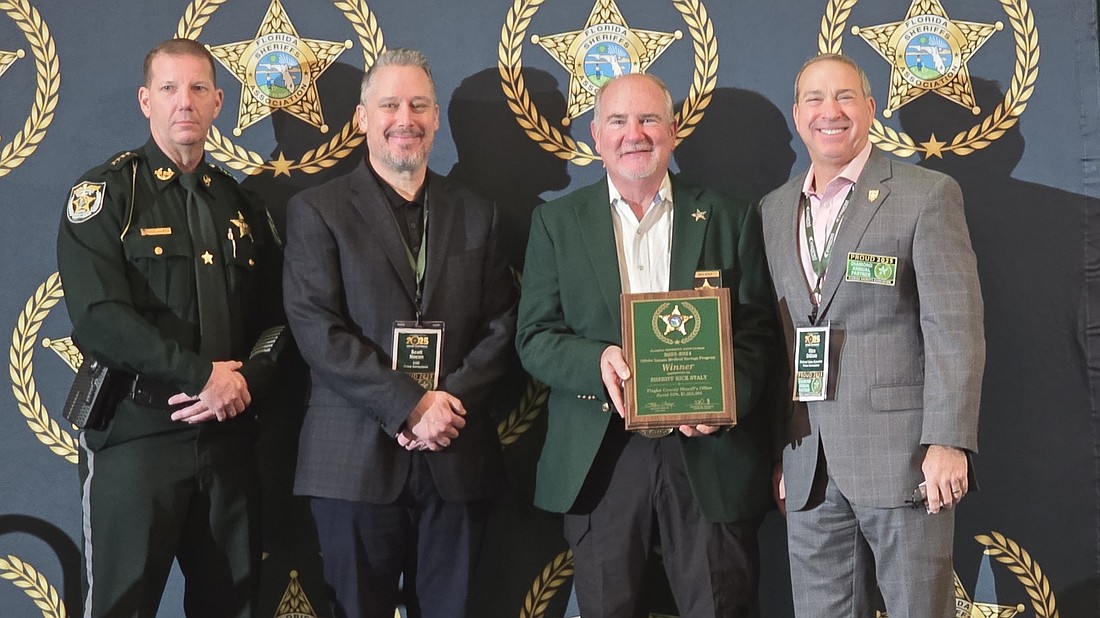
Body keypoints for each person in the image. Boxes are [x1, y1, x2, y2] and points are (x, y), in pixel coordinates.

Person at [516, 73, 778, 617]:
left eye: (648, 119)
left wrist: (725, 396)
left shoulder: (731, 216)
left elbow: (757, 334)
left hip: (707, 450)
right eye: (617, 121)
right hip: (603, 454)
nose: (633, 133)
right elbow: (535, 337)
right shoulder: (556, 223)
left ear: (673, 130)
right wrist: (597, 361)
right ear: (595, 134)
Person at [57, 38, 288, 617]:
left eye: (197, 88)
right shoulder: (107, 194)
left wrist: (245, 382)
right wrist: (200, 374)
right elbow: (99, 318)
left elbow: (280, 323)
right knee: (122, 607)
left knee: (230, 608)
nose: (183, 101)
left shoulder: (245, 207)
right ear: (145, 101)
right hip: (139, 438)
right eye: (168, 88)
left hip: (229, 441)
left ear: (218, 102)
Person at [282, 48, 515, 618]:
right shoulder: (317, 210)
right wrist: (410, 405)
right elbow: (317, 329)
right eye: (389, 105)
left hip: (455, 456)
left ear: (436, 118)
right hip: (352, 462)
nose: (403, 119)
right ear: (362, 117)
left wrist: (446, 405)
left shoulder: (478, 212)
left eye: (417, 105)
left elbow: (503, 323)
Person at [759, 53, 984, 617]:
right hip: (809, 468)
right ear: (796, 114)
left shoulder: (926, 194)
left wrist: (948, 440)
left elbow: (954, 327)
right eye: (814, 99)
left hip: (904, 460)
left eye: (844, 97)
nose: (829, 112)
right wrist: (783, 451)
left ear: (871, 108)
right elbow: (784, 340)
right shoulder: (774, 208)